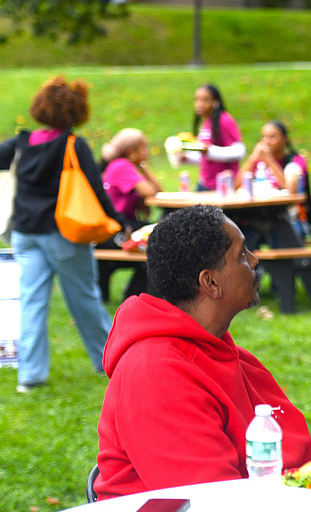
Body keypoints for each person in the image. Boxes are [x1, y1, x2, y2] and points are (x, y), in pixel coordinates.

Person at [94, 204, 311, 500]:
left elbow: (303, 463)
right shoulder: (155, 373)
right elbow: (211, 504)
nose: (254, 260)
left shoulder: (226, 351)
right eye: (240, 255)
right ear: (210, 282)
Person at [0, 76, 124, 393]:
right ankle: (111, 362)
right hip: (64, 234)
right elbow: (96, 189)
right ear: (76, 112)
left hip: (25, 234)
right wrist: (120, 223)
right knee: (84, 298)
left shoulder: (20, 143)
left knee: (31, 303)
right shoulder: (73, 144)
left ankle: (29, 376)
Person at [97, 128, 163, 301]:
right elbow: (150, 191)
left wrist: (142, 165)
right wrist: (142, 166)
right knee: (158, 241)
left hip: (120, 226)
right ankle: (135, 296)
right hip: (116, 230)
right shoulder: (121, 166)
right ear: (131, 152)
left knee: (157, 239)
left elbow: (158, 190)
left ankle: (134, 295)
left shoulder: (123, 165)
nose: (147, 151)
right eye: (143, 147)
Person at [236, 120, 311, 248]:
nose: (266, 141)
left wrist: (269, 160)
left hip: (291, 217)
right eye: (264, 137)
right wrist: (252, 159)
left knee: (278, 232)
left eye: (272, 137)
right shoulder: (258, 161)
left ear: (285, 139)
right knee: (238, 234)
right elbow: (236, 185)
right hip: (259, 215)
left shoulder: (296, 161)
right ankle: (253, 266)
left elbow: (289, 188)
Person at [178, 83, 246, 191]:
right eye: (197, 100)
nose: (199, 104)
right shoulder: (207, 122)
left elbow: (239, 151)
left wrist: (209, 151)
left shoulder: (224, 120)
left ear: (216, 102)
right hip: (205, 183)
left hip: (222, 186)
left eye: (205, 100)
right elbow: (206, 156)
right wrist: (187, 158)